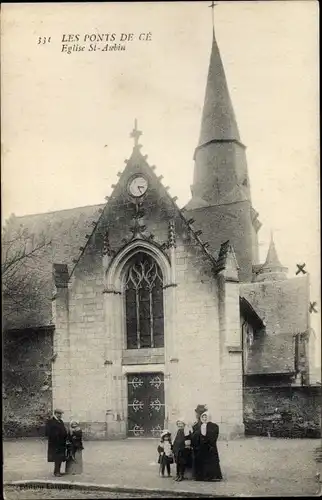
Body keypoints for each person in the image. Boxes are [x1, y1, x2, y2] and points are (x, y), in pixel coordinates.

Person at [191, 410, 222, 482]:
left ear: (209, 417)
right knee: (201, 460)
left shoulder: (214, 426)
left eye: (206, 417)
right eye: (203, 417)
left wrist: (207, 440)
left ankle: (211, 476)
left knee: (210, 461)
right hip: (200, 447)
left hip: (209, 446)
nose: (204, 419)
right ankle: (200, 476)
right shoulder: (197, 426)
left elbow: (214, 436)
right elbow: (194, 436)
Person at [45, 408, 68, 477]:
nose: (60, 415)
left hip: (61, 443)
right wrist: (56, 436)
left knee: (60, 457)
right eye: (59, 414)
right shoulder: (50, 421)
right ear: (55, 413)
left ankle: (58, 471)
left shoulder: (60, 421)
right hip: (55, 443)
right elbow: (47, 432)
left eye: (61, 414)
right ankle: (56, 472)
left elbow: (63, 430)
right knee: (57, 457)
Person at [172, 418, 192, 482]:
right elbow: (175, 440)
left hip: (183, 449)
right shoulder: (178, 431)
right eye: (178, 424)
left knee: (182, 463)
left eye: (181, 423)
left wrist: (186, 446)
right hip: (177, 449)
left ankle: (181, 475)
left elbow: (187, 439)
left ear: (184, 424)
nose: (180, 425)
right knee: (178, 463)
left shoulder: (186, 431)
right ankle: (177, 474)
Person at [191, 404, 208, 479]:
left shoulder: (203, 422)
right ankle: (198, 474)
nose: (196, 415)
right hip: (196, 443)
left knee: (200, 459)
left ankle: (200, 475)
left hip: (200, 444)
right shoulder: (197, 422)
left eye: (197, 413)